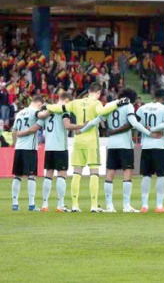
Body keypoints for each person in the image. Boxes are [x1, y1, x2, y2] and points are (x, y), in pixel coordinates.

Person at [45, 83, 125, 212]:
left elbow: (59, 108)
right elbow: (103, 111)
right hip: (91, 141)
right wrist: (117, 104)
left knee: (77, 172)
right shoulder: (96, 103)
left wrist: (47, 106)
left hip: (78, 141)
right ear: (98, 93)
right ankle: (94, 205)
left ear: (88, 91)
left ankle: (75, 205)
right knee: (94, 172)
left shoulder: (76, 102)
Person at [40, 93, 98, 212]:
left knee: (49, 174)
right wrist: (81, 126)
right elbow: (67, 125)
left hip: (49, 147)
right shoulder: (64, 111)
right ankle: (60, 205)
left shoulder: (48, 110)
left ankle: (44, 204)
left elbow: (39, 121)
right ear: (66, 101)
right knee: (62, 174)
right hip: (60, 146)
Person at [131, 90, 164, 213]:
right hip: (160, 145)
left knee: (146, 175)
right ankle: (159, 206)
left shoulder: (142, 108)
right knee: (161, 175)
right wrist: (155, 130)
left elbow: (134, 123)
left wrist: (147, 130)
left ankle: (144, 205)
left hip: (146, 145)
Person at [103, 88, 144, 213]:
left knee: (110, 173)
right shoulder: (128, 106)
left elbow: (103, 122)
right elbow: (130, 123)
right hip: (125, 144)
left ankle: (109, 206)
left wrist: (111, 130)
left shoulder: (110, 106)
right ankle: (126, 206)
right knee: (127, 172)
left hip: (112, 144)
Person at [11, 96, 51, 211]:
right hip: (30, 148)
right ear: (40, 104)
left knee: (17, 176)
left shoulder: (20, 113)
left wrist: (15, 145)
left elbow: (14, 131)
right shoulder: (34, 111)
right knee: (31, 176)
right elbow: (42, 115)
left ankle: (15, 203)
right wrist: (51, 108)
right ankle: (31, 204)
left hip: (19, 148)